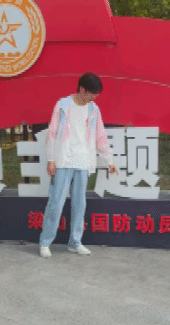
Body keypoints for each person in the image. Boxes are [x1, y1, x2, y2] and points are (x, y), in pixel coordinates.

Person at [39, 73, 117, 258]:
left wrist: (109, 160)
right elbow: (52, 132)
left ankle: (75, 242)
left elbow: (100, 136)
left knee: (79, 204)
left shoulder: (94, 110)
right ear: (82, 89)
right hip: (63, 161)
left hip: (83, 162)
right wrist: (51, 159)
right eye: (91, 94)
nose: (93, 98)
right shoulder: (63, 105)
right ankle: (45, 242)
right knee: (56, 203)